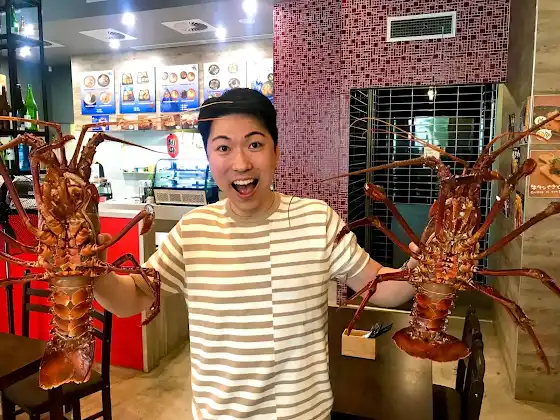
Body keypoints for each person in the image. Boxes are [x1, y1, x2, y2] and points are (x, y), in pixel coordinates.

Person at [93, 88, 418, 420]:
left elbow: (380, 286)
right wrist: (93, 273)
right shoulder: (193, 230)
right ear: (209, 157)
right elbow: (132, 297)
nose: (241, 164)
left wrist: (423, 266)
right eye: (223, 148)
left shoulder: (317, 220)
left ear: (276, 151)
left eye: (255, 144)